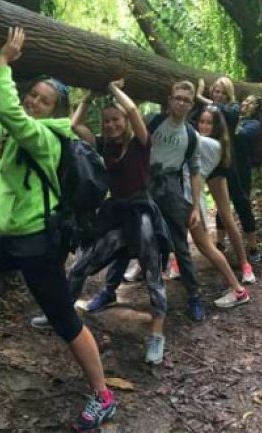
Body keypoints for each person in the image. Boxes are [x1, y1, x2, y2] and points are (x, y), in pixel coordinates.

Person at [0, 27, 116, 432]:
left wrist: (2, 63)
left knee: (65, 321)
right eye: (32, 95)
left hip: (37, 247)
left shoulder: (44, 138)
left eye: (43, 101)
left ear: (55, 111)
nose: (34, 103)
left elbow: (11, 116)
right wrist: (3, 88)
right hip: (10, 240)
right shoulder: (17, 134)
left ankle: (102, 395)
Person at [62, 79, 170, 364]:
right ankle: (61, 313)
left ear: (126, 121)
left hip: (141, 214)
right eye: (107, 121)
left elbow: (133, 109)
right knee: (82, 264)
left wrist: (110, 87)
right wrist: (88, 95)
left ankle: (157, 336)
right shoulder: (103, 146)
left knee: (152, 274)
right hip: (116, 215)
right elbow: (74, 126)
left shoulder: (141, 143)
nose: (111, 125)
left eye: (116, 120)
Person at [87, 81, 207, 321]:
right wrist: (115, 89)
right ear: (169, 99)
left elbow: (195, 171)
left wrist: (195, 205)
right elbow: (128, 119)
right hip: (142, 182)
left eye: (186, 99)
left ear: (192, 104)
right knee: (127, 234)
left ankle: (194, 295)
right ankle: (109, 290)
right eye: (177, 97)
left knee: (179, 243)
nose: (181, 103)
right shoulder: (153, 120)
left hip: (170, 187)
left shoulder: (192, 135)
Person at [188, 106, 255, 307]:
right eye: (201, 122)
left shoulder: (213, 144)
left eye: (209, 123)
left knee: (226, 217)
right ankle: (174, 264)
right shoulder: (199, 141)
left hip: (217, 173)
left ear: (217, 126)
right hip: (196, 178)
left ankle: (244, 266)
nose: (204, 126)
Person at [196, 77, 260, 262]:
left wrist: (200, 96)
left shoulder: (232, 109)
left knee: (241, 203)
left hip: (235, 166)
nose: (219, 96)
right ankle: (220, 242)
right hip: (214, 164)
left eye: (223, 92)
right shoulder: (209, 112)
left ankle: (253, 246)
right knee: (221, 206)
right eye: (216, 91)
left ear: (229, 94)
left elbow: (227, 113)